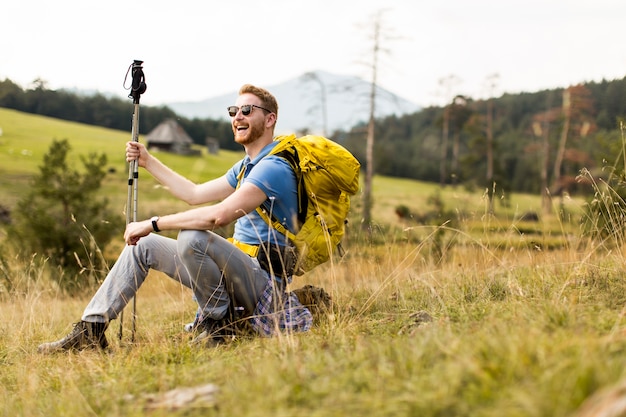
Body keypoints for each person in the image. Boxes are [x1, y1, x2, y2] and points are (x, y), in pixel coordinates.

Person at [38, 84, 313, 353]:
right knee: (143, 246)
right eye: (234, 111)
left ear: (270, 119)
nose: (237, 117)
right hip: (236, 271)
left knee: (192, 236)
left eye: (247, 110)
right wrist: (147, 161)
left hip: (261, 284)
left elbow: (218, 216)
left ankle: (220, 325)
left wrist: (152, 223)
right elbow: (193, 193)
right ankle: (91, 331)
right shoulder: (246, 167)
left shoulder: (273, 167)